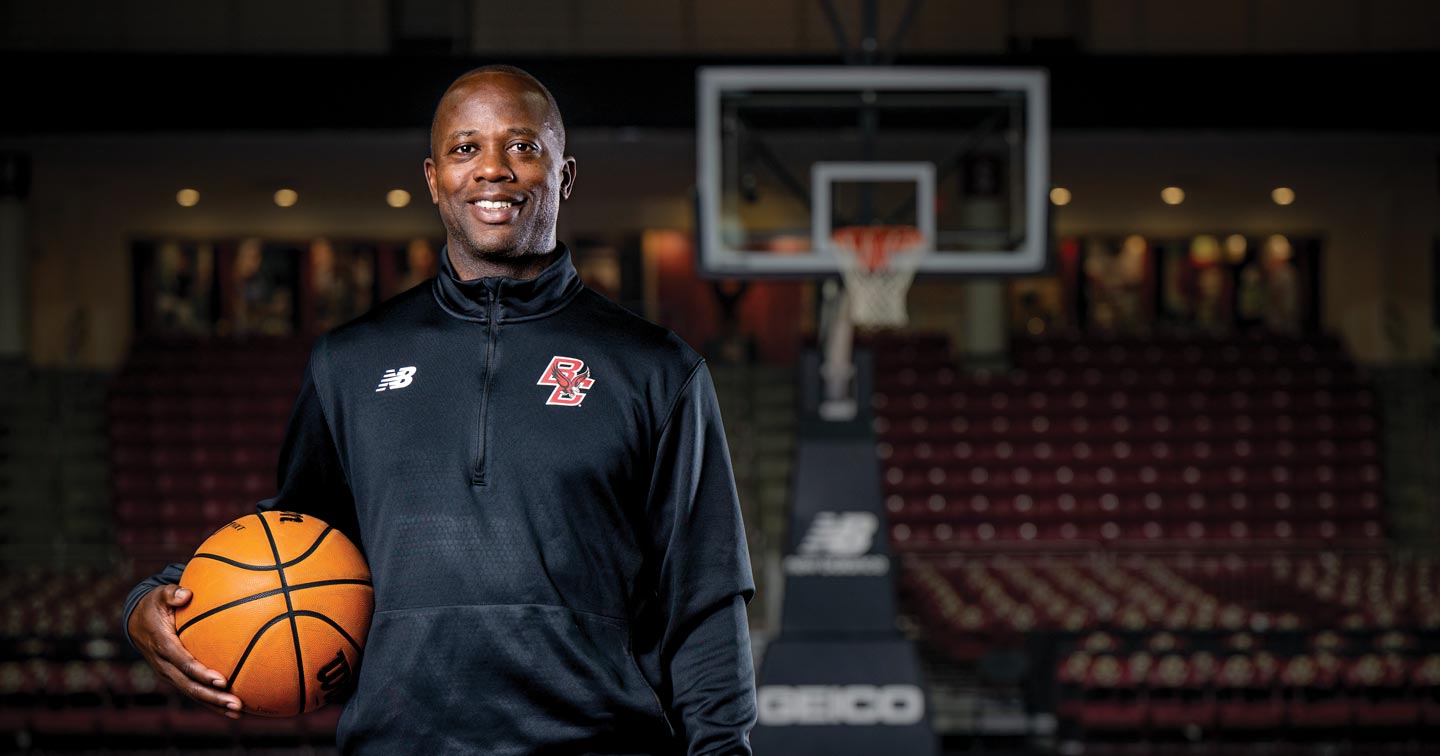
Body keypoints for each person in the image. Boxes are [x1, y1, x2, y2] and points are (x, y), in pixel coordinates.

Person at [124, 65, 758, 755]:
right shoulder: (352, 361)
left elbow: (704, 602)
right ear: (433, 178)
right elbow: (296, 533)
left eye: (522, 146)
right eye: (465, 148)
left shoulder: (656, 369)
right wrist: (155, 598)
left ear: (564, 174)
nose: (493, 170)